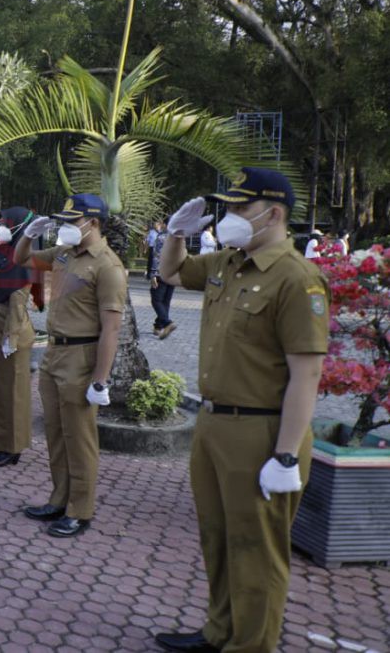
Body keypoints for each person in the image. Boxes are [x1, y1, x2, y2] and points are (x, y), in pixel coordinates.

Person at [155, 168, 328, 653]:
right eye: (227, 207)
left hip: (262, 434)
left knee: (257, 554)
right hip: (213, 424)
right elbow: (171, 272)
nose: (229, 217)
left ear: (273, 213)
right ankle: (219, 631)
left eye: (239, 208)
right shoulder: (229, 262)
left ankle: (251, 644)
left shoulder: (296, 278)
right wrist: (174, 234)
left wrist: (287, 455)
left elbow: (307, 375)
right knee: (218, 539)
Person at [14, 193, 126, 538]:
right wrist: (29, 234)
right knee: (56, 434)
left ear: (92, 223)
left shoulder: (107, 266)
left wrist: (101, 380)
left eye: (71, 221)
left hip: (82, 357)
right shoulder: (64, 253)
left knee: (79, 438)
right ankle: (59, 498)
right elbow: (23, 261)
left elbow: (112, 328)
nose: (64, 227)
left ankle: (81, 509)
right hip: (54, 354)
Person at [0, 208, 36, 468]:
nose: (0, 226)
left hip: (11, 337)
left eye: (5, 222)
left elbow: (18, 304)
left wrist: (10, 338)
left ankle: (12, 448)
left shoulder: (22, 261)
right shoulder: (4, 255)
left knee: (13, 395)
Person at [150, 224, 177, 339]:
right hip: (173, 273)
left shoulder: (162, 237)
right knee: (165, 301)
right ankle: (158, 326)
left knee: (156, 300)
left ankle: (167, 323)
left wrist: (153, 274)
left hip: (162, 272)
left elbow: (157, 256)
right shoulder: (179, 238)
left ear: (166, 225)